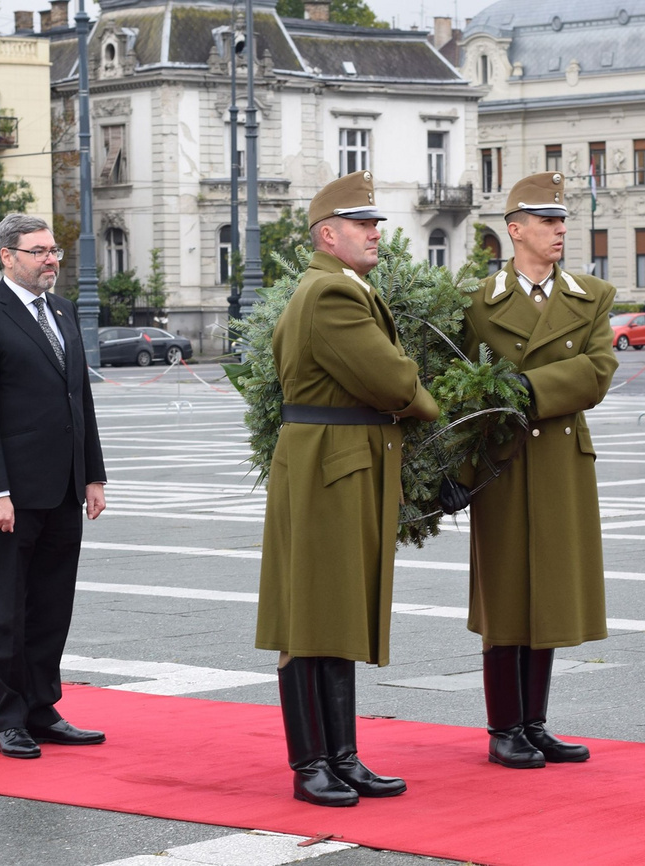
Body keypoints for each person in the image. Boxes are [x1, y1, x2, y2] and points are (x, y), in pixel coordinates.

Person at [255, 171, 440, 807]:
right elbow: (391, 379)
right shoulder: (331, 294)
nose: (376, 234)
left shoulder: (335, 286)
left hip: (337, 463)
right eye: (363, 225)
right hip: (329, 468)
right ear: (327, 235)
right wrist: (428, 397)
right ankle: (312, 764)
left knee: (332, 614)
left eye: (377, 224)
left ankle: (342, 757)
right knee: (311, 619)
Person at [446, 171, 618, 769]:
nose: (560, 229)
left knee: (549, 590)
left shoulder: (591, 294)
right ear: (514, 230)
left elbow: (597, 373)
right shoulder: (476, 300)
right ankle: (503, 728)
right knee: (506, 591)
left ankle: (535, 723)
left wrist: (525, 387)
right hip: (504, 460)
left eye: (563, 220)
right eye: (547, 221)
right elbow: (457, 383)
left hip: (560, 459)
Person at [0, 213, 108, 759]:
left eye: (54, 252)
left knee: (51, 603)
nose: (51, 260)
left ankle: (43, 709)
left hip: (64, 487)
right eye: (39, 251)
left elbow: (80, 399)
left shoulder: (61, 311)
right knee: (7, 606)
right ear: (7, 256)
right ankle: (9, 717)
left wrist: (93, 473)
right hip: (11, 496)